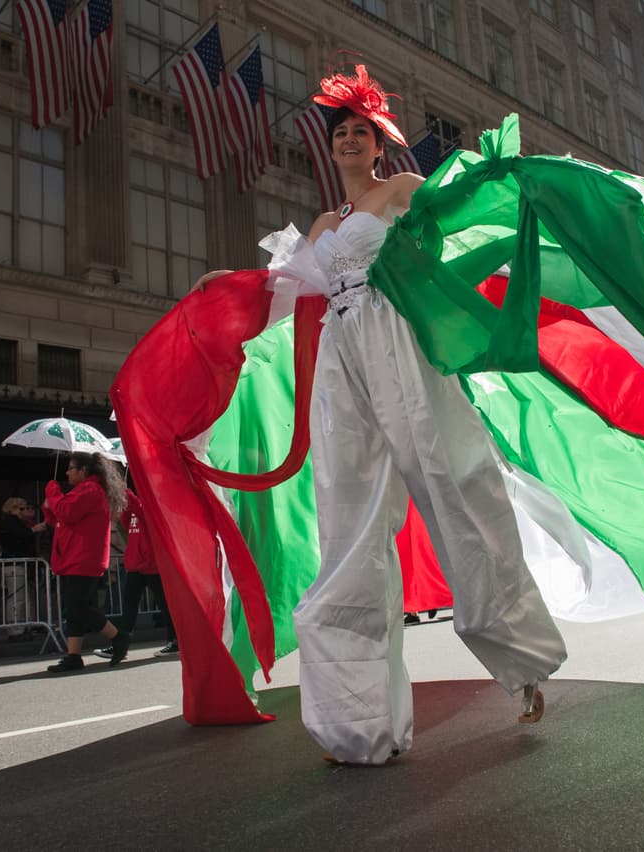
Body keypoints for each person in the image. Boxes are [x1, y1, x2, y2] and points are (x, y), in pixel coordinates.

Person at [260, 68, 567, 764]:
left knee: (451, 483)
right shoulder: (324, 222)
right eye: (339, 133)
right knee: (347, 516)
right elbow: (288, 286)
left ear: (378, 143)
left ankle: (521, 662)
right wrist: (231, 284)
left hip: (395, 342)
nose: (348, 140)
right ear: (329, 147)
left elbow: (456, 211)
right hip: (343, 360)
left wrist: (498, 174)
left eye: (359, 131)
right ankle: (356, 720)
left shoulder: (398, 191)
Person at [43, 452, 129, 672]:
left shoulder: (90, 490)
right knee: (76, 609)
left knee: (79, 607)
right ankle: (74, 655)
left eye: (71, 468)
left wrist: (52, 491)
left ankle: (118, 637)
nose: (67, 472)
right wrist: (51, 504)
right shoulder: (86, 490)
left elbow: (65, 512)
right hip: (76, 557)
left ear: (83, 471)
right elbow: (60, 518)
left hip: (81, 557)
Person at [93, 481, 177, 661]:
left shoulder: (151, 510)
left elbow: (136, 508)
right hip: (137, 565)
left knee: (165, 605)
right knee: (129, 607)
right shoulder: (134, 514)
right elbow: (127, 517)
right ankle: (121, 644)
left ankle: (175, 640)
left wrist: (122, 488)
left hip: (153, 565)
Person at [0, 497, 46, 638]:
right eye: (21, 508)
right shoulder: (8, 522)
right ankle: (16, 630)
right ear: (11, 508)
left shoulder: (17, 522)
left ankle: (25, 627)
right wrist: (33, 529)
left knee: (23, 598)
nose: (23, 511)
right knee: (16, 598)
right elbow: (19, 536)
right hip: (14, 563)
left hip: (21, 563)